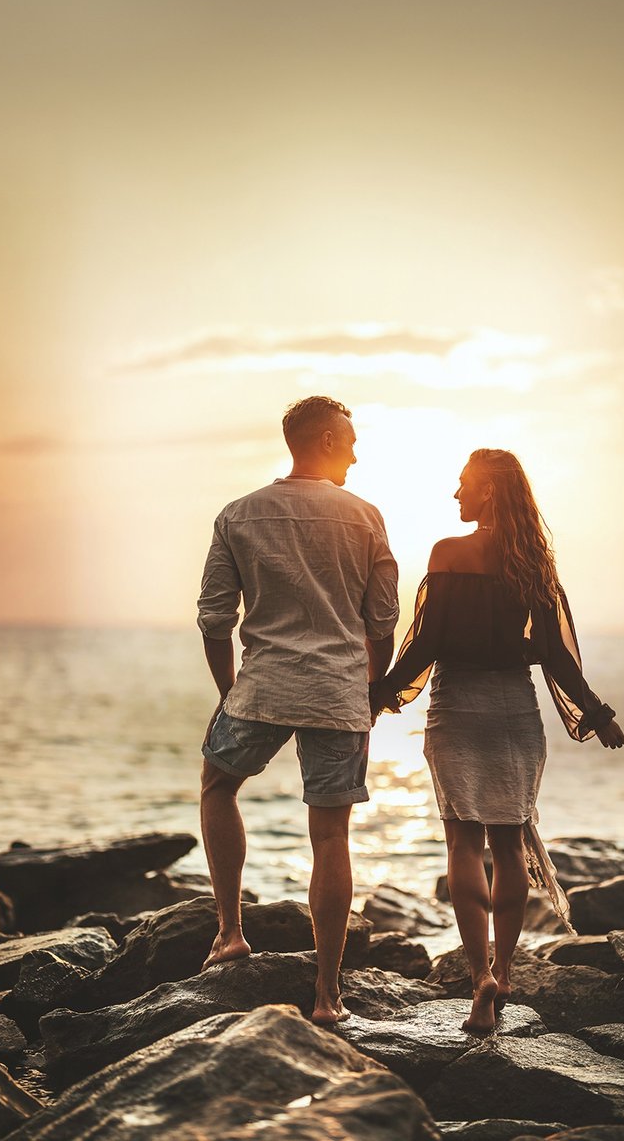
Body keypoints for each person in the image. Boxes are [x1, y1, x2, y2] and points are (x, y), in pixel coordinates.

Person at [370, 448, 624, 1034]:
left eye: (462, 485)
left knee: (462, 843)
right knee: (509, 846)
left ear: (487, 492)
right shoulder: (532, 563)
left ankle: (478, 973)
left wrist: (377, 694)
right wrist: (597, 713)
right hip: (515, 709)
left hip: (457, 707)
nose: (454, 495)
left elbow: (426, 642)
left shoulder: (447, 553)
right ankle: (505, 974)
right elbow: (557, 654)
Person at [196, 395, 399, 1025]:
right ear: (329, 440)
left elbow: (213, 617)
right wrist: (372, 685)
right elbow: (383, 620)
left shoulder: (240, 514)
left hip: (264, 684)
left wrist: (228, 688)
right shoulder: (365, 517)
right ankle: (327, 995)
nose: (357, 451)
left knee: (217, 786)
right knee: (331, 833)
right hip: (340, 691)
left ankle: (230, 931)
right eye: (352, 439)